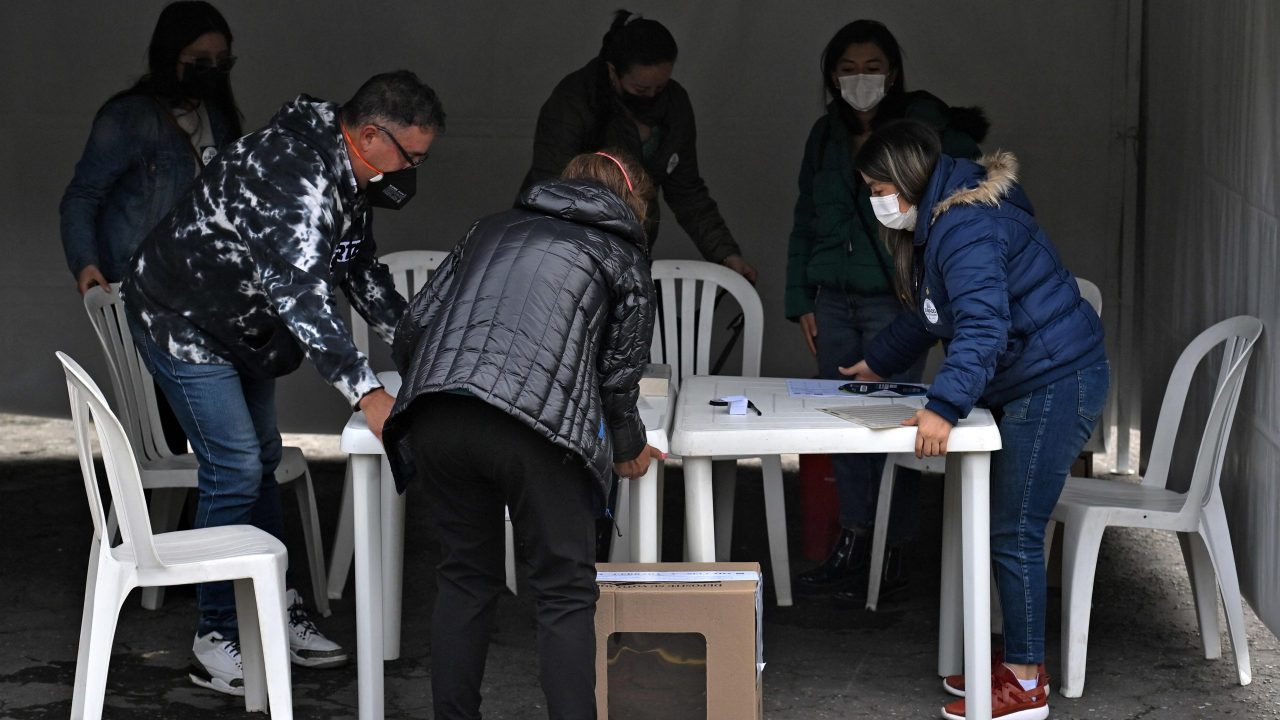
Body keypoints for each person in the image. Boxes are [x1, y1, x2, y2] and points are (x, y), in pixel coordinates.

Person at [121, 70, 445, 695]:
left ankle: (268, 602)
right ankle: (216, 635)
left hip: (244, 328)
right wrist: (367, 391)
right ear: (372, 135)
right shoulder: (290, 171)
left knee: (263, 458)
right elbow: (301, 293)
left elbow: (357, 271)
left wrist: (421, 347)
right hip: (182, 316)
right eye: (412, 157)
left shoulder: (349, 173)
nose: (412, 173)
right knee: (236, 464)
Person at [384, 150, 663, 719]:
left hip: (439, 414)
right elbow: (619, 377)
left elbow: (413, 326)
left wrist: (441, 380)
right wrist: (629, 449)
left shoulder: (491, 228)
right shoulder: (622, 256)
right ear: (634, 201)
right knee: (564, 593)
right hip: (538, 430)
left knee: (463, 577)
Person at [845, 119, 1108, 720]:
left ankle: (1025, 687)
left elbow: (983, 327)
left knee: (1014, 529)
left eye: (880, 187)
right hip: (1035, 381)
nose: (875, 200)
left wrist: (942, 407)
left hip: (1054, 383)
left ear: (911, 179)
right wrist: (876, 363)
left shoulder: (965, 224)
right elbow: (932, 312)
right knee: (1006, 528)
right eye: (869, 188)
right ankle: (1014, 665)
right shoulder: (941, 219)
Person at [787, 19, 990, 603]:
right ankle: (855, 539)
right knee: (840, 421)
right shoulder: (824, 136)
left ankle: (895, 547)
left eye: (872, 67)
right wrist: (801, 298)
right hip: (833, 298)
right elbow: (806, 218)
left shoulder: (922, 127)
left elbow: (967, 176)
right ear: (831, 75)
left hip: (897, 302)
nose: (860, 79)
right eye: (847, 69)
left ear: (893, 71)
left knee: (896, 424)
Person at [60, 0, 244, 454]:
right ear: (169, 57)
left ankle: (198, 516)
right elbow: (82, 196)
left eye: (223, 63)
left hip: (207, 299)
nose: (213, 72)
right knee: (171, 430)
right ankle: (181, 517)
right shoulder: (129, 118)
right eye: (200, 63)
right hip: (146, 295)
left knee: (220, 431)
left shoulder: (218, 115)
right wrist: (85, 264)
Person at [521, 9, 757, 283]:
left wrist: (726, 254)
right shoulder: (574, 101)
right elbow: (550, 190)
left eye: (661, 87)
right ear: (613, 72)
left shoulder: (675, 105)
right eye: (641, 90)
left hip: (631, 252)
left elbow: (687, 191)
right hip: (564, 253)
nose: (652, 96)